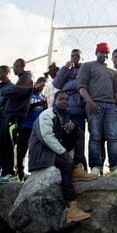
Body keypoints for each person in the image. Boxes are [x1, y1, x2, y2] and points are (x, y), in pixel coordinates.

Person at [28, 90, 96, 223]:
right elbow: (47, 137)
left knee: (78, 131)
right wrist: (64, 154)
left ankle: (77, 168)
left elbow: (65, 136)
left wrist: (73, 125)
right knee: (66, 164)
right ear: (55, 101)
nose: (65, 102)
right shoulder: (46, 115)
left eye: (67, 100)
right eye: (61, 99)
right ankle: (71, 207)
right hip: (42, 153)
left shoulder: (65, 116)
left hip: (53, 150)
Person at [77, 43, 117, 177]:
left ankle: (115, 167)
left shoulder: (112, 71)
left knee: (114, 136)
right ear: (96, 53)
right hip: (94, 104)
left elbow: (116, 89)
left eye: (106, 53)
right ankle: (96, 167)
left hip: (111, 106)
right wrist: (90, 102)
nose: (104, 55)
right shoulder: (87, 66)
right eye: (101, 52)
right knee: (95, 136)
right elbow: (81, 87)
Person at [0, 58, 33, 182]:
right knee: (5, 144)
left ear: (20, 66)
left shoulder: (27, 75)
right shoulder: (20, 80)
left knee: (9, 144)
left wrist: (3, 91)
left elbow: (18, 90)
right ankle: (6, 173)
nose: (14, 69)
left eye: (15, 66)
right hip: (9, 116)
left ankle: (10, 174)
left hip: (14, 117)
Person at [16, 77, 48, 180]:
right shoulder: (28, 95)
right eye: (41, 85)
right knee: (22, 150)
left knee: (34, 149)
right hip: (25, 126)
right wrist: (37, 104)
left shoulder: (44, 97)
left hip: (36, 128)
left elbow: (45, 112)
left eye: (44, 86)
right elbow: (24, 108)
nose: (42, 87)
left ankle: (33, 171)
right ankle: (20, 172)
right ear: (36, 83)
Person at [53, 49, 86, 131]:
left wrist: (65, 87)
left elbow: (82, 84)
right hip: (65, 108)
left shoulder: (85, 70)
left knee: (78, 134)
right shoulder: (65, 69)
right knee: (63, 133)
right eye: (72, 56)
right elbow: (56, 84)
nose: (74, 58)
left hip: (78, 107)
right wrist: (65, 68)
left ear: (82, 59)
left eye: (77, 56)